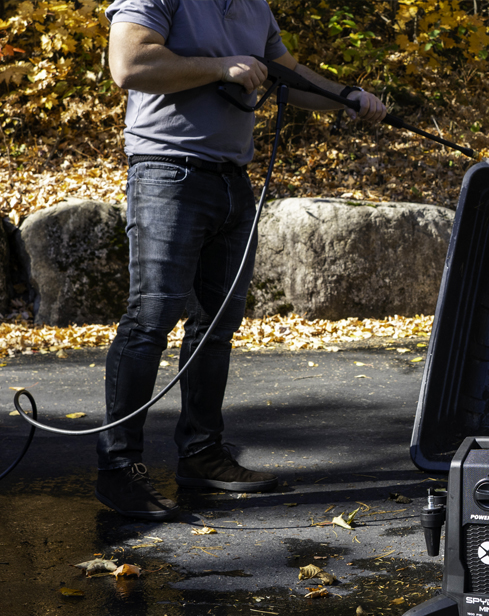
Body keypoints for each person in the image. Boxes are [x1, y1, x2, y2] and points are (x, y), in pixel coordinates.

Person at [96, 0, 387, 522]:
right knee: (149, 322)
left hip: (233, 180)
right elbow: (129, 66)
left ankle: (202, 454)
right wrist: (219, 66)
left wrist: (343, 97)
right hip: (167, 173)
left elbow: (285, 73)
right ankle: (119, 469)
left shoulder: (255, 5)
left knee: (216, 326)